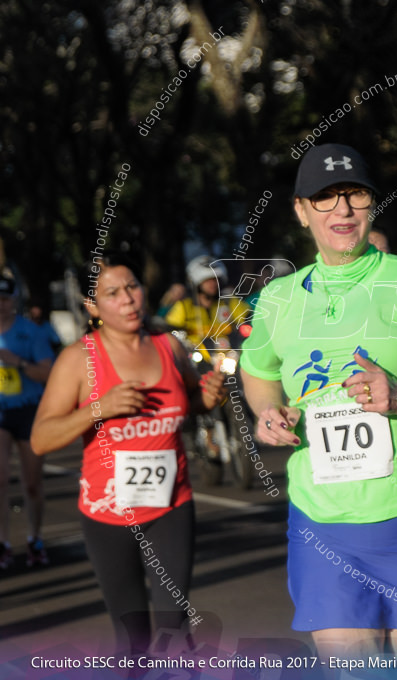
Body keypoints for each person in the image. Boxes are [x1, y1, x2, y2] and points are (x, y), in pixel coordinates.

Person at [240, 143, 397, 661]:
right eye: (325, 198)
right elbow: (258, 372)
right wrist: (268, 410)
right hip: (322, 521)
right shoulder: (277, 299)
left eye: (354, 194)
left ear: (372, 203)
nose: (343, 210)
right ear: (301, 210)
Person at [30, 252, 226, 655]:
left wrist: (208, 398)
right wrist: (99, 407)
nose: (128, 299)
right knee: (132, 637)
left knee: (174, 628)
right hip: (107, 513)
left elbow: (189, 402)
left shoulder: (168, 345)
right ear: (93, 306)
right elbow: (41, 440)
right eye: (113, 293)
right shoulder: (79, 359)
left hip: (171, 504)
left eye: (132, 287)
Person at [0, 276, 54, 569]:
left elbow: (48, 374)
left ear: (14, 301)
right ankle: (3, 542)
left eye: (5, 299)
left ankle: (35, 538)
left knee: (32, 483)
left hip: (30, 410)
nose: (0, 305)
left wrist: (17, 362)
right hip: (0, 414)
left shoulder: (29, 332)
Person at [163, 256, 250, 354]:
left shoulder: (228, 302)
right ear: (196, 283)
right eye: (207, 280)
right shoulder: (184, 307)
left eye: (215, 279)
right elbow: (169, 329)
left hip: (228, 357)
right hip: (196, 359)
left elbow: (250, 318)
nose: (213, 284)